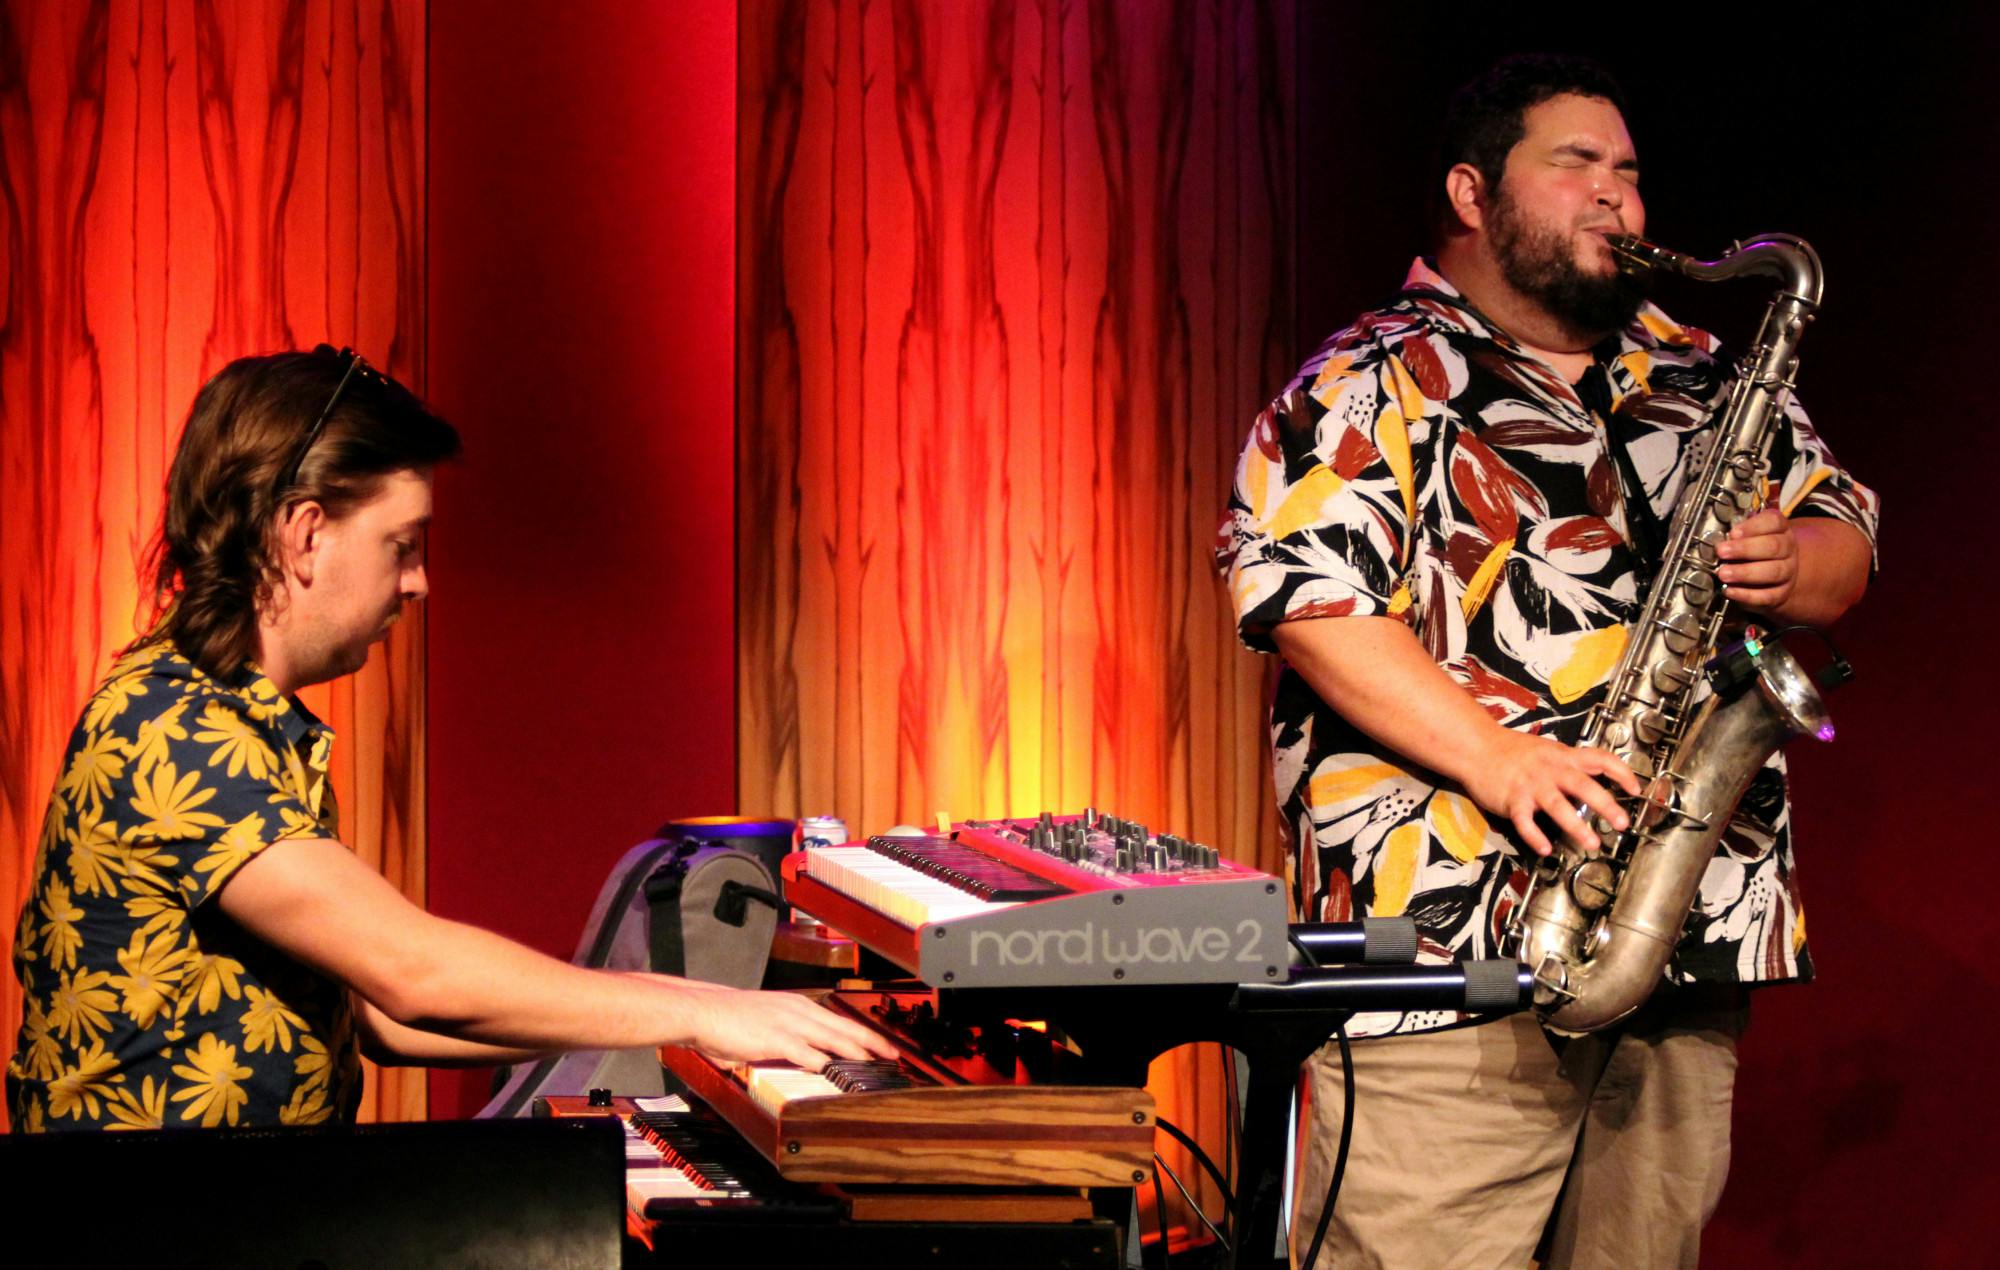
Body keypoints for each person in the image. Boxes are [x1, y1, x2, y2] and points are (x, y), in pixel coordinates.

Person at [1216, 55, 1878, 1268]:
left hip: (1678, 943)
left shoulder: (1694, 366)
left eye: (1625, 172)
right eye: (1573, 165)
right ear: (1472, 194)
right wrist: (1500, 760)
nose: (1614, 198)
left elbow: (1847, 529)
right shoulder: (1367, 377)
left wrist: (1801, 561)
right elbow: (1302, 599)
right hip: (1448, 958)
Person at [9, 346, 893, 1132]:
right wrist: (702, 1015)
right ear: (305, 533)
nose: (420, 581)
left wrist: (691, 1006)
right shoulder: (175, 730)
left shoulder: (242, 723)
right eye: (402, 544)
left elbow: (389, 1020)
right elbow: (412, 977)